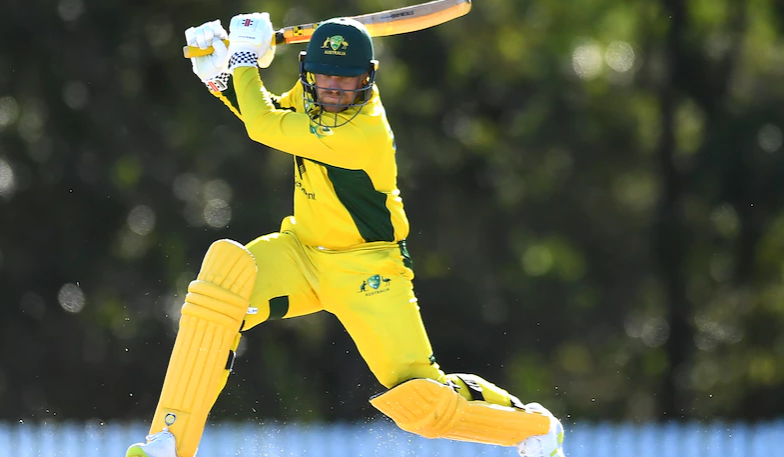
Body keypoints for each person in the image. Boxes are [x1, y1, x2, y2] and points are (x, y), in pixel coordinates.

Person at [125, 12, 565, 457]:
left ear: (368, 79)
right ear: (307, 72)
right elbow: (274, 115)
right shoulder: (313, 99)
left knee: (423, 405)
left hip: (368, 270)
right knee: (222, 290)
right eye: (324, 77)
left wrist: (242, 60)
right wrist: (220, 77)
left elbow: (263, 127)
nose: (333, 89)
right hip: (302, 253)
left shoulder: (363, 131)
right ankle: (171, 443)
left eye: (346, 80)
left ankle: (530, 427)